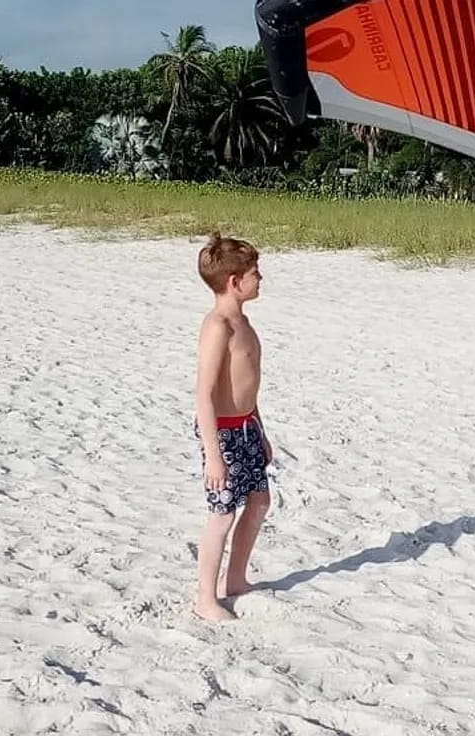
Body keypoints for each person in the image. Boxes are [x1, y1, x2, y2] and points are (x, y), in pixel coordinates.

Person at [192, 231, 273, 623]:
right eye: (255, 272)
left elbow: (247, 385)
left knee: (259, 502)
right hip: (221, 432)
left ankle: (235, 579)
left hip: (246, 427)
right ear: (234, 281)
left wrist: (260, 430)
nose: (261, 278)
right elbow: (204, 394)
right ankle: (204, 598)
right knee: (223, 513)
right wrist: (213, 455)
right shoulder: (218, 326)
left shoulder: (243, 320)